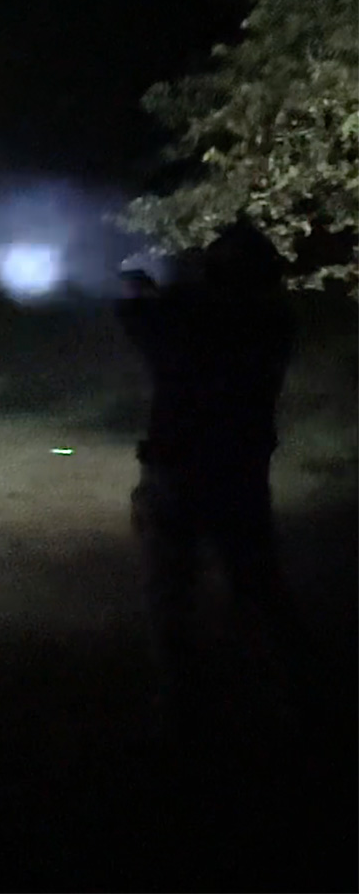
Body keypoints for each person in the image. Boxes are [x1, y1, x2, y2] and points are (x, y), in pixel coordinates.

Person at [117, 219, 320, 731]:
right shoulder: (271, 321)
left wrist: (140, 289)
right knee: (258, 585)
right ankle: (303, 691)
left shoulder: (199, 317)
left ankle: (185, 703)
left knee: (170, 592)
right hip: (241, 471)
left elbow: (143, 324)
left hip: (180, 471)